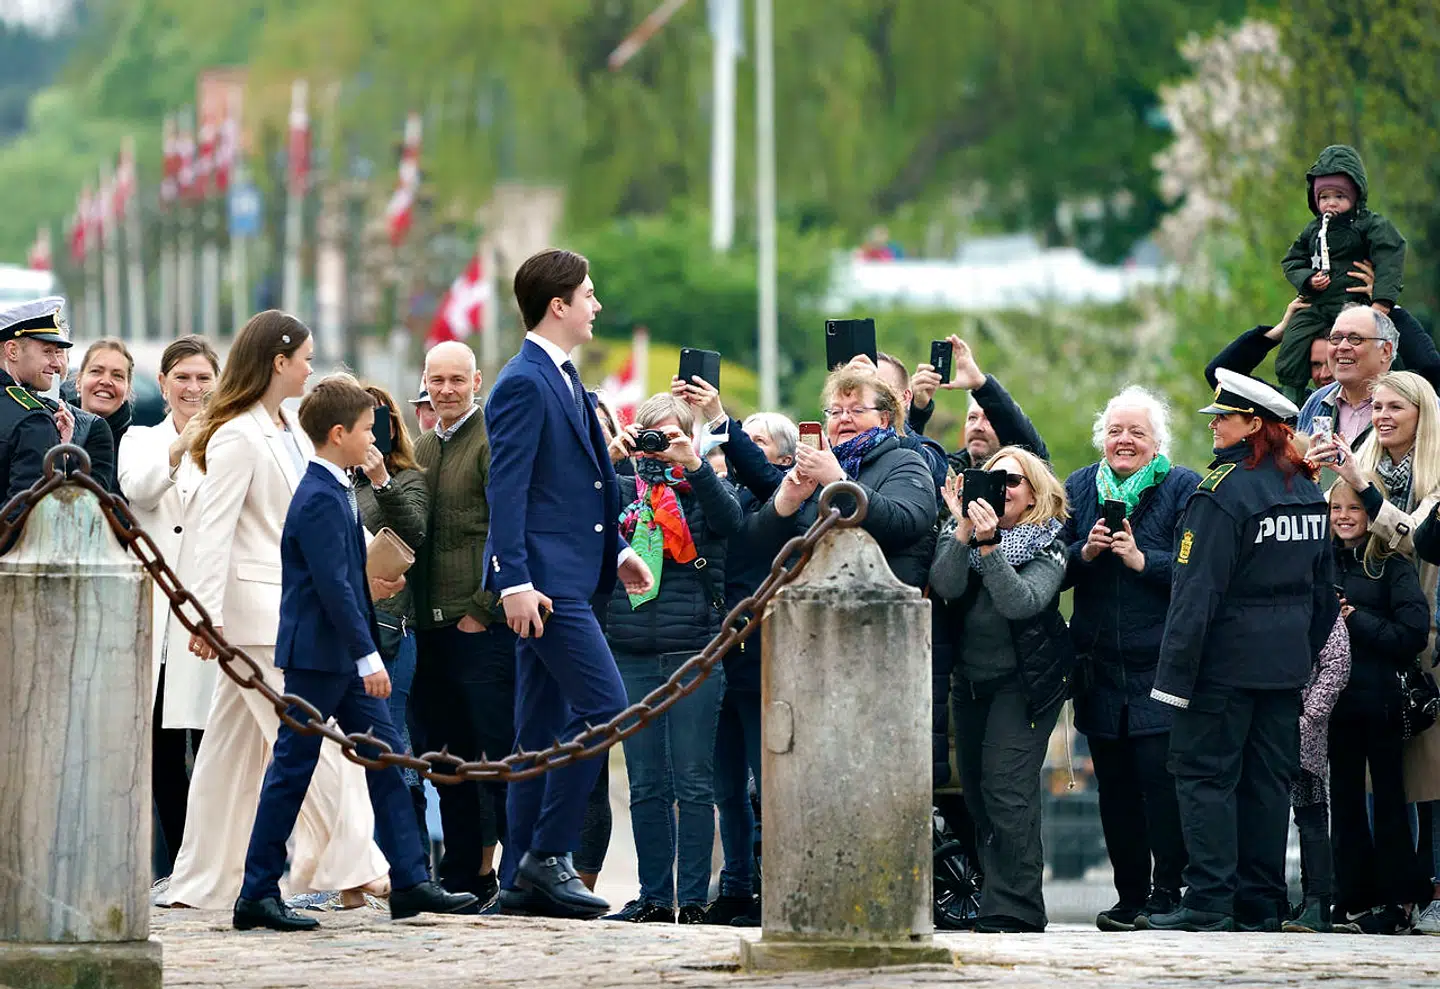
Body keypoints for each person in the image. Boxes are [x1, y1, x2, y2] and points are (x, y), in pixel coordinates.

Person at [232, 373, 478, 931]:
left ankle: (410, 881)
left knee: (385, 761)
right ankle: (256, 892)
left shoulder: (335, 486)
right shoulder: (320, 496)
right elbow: (335, 588)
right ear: (339, 433)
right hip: (320, 658)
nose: (374, 438)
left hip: (339, 656)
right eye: (367, 429)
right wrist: (368, 657)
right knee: (293, 770)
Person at [160, 311, 388, 910]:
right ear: (279, 361)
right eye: (305, 358)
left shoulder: (289, 428)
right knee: (321, 743)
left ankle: (206, 878)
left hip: (278, 611)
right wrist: (204, 617)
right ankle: (357, 866)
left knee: (228, 757)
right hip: (256, 617)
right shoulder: (237, 434)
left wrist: (372, 559)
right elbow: (214, 532)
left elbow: (312, 512)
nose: (311, 368)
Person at [483, 248, 654, 919]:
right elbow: (508, 489)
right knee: (607, 707)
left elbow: (579, 488)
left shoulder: (562, 376)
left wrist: (618, 551)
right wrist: (514, 582)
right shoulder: (524, 381)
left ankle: (518, 879)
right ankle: (548, 854)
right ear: (558, 305)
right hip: (545, 587)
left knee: (536, 731)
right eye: (588, 294)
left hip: (571, 578)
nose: (596, 305)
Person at [1139, 369, 1334, 933]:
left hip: (1221, 668)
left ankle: (1208, 901)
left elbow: (1195, 594)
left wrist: (1173, 681)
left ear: (1254, 425)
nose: (1214, 427)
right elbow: (1324, 594)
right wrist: (1300, 654)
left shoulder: (1221, 493)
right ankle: (1260, 903)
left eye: (1223, 418)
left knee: (1204, 777)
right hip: (1283, 668)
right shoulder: (1306, 490)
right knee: (1266, 783)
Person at [1060, 386, 1199, 931]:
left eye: (1137, 432)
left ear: (1156, 442)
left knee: (1161, 786)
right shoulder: (1079, 486)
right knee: (1114, 791)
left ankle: (1168, 892)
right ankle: (1129, 896)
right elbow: (1053, 566)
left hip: (1158, 667)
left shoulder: (1182, 486)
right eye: (1115, 431)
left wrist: (1144, 560)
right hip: (1098, 669)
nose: (1124, 440)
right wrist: (1086, 552)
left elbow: (1198, 570)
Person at [603, 394, 742, 923]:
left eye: (670, 436)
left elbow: (731, 521)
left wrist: (694, 465)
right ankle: (656, 898)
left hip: (694, 653)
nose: (658, 448)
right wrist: (611, 459)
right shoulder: (619, 489)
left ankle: (694, 901)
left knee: (693, 782)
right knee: (646, 784)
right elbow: (576, 514)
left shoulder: (704, 488)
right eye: (651, 436)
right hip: (632, 650)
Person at [930, 446, 1071, 933]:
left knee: (1007, 789)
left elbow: (1021, 602)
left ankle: (1017, 908)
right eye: (992, 480)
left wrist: (989, 546)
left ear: (1033, 493)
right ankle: (997, 894)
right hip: (971, 682)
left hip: (1027, 683)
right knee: (975, 791)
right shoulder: (963, 534)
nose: (1001, 490)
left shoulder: (1048, 541)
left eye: (1012, 482)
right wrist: (962, 531)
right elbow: (945, 585)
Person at [409, 340, 512, 910]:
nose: (446, 390)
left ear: (476, 382)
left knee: (498, 755)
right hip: (430, 627)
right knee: (446, 760)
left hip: (478, 625)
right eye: (437, 380)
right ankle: (462, 875)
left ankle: (514, 873)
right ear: (425, 382)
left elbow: (508, 526)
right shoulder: (423, 445)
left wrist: (483, 608)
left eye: (456, 380)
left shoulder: (492, 439)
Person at [117, 335, 221, 879]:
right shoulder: (140, 439)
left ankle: (213, 861)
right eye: (182, 378)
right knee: (159, 750)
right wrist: (181, 445)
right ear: (162, 383)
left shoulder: (230, 442)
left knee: (212, 747)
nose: (193, 388)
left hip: (210, 612)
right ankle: (180, 862)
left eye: (203, 378)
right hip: (157, 614)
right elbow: (140, 490)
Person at [1324, 478, 1432, 935]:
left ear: (1371, 514)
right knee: (1344, 802)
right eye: (1336, 509)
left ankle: (1399, 900)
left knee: (1388, 801)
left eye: (1354, 508)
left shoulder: (1392, 565)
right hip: (1335, 703)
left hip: (1384, 702)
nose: (1344, 517)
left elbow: (1412, 634)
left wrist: (1355, 620)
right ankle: (1352, 897)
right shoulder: (1320, 562)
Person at [749, 367, 937, 588]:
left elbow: (904, 524)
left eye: (857, 410)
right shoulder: (814, 468)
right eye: (836, 412)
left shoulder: (906, 461)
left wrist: (838, 481)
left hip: (877, 599)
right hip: (805, 600)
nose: (844, 418)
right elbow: (760, 548)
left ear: (884, 419)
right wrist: (785, 502)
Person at [355, 383, 431, 858]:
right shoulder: (333, 479)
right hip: (345, 629)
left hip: (391, 631)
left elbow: (415, 533)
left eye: (377, 421)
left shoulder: (407, 479)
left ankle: (410, 863)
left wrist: (381, 478)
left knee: (393, 745)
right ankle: (358, 867)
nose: (369, 432)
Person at [1277, 145, 1406, 399]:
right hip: (1317, 304)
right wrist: (1308, 280)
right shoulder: (1313, 230)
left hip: (1354, 303)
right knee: (1294, 339)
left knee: (1373, 346)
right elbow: (1292, 260)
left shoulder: (1369, 224)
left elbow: (1390, 256)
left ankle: (1392, 393)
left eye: (1339, 196)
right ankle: (1291, 400)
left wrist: (1380, 304)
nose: (1331, 203)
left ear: (1355, 195)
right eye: (1324, 197)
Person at [1284, 609, 1350, 934]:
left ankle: (1317, 902)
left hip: (1303, 727)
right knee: (1267, 813)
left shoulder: (1319, 600)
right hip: (1265, 722)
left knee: (1310, 811)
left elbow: (1338, 662)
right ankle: (1277, 899)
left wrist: (1310, 715)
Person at [907, 334, 1050, 467]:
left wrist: (981, 384)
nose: (978, 426)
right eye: (972, 418)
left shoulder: (1018, 476)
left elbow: (1034, 457)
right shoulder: (943, 471)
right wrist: (918, 410)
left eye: (989, 419)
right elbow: (906, 459)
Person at [0, 298, 71, 542]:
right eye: (47, 351)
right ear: (12, 351)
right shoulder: (33, 420)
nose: (57, 363)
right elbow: (29, 518)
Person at [1296, 307, 1399, 447]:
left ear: (1385, 351)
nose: (1342, 347)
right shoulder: (1316, 402)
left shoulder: (1412, 403)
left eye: (1355, 339)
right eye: (1336, 339)